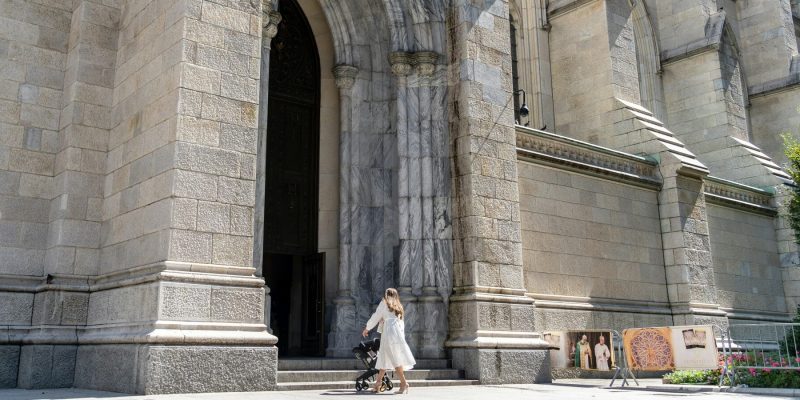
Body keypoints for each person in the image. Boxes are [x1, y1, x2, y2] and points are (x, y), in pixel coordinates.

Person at [362, 288, 416, 394]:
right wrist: (401, 337)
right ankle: (377, 384)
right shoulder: (398, 306)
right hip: (397, 333)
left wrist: (367, 328)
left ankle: (404, 383)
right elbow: (401, 324)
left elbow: (376, 316)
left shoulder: (384, 303)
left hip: (389, 333)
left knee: (393, 358)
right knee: (384, 357)